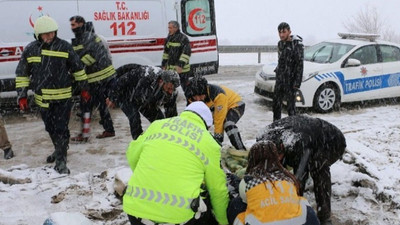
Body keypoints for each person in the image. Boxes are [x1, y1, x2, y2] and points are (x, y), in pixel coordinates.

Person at [123, 101, 229, 225]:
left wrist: (150, 175)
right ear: (207, 125)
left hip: (136, 212)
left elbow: (131, 155)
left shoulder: (157, 125)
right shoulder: (209, 142)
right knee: (207, 206)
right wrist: (223, 221)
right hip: (178, 218)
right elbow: (217, 190)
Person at [15, 16, 88, 174]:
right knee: (50, 128)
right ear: (37, 35)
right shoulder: (30, 50)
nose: (49, 37)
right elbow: (22, 74)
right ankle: (59, 149)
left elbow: (78, 68)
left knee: (61, 128)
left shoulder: (65, 47)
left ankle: (61, 161)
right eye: (45, 34)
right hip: (43, 100)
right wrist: (22, 95)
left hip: (63, 98)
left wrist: (84, 88)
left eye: (51, 33)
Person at [256, 115, 346, 225]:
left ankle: (324, 217)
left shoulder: (298, 144)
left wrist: (290, 207)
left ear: (282, 147)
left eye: (276, 156)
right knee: (286, 167)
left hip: (332, 141)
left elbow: (298, 179)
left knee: (318, 170)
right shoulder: (263, 137)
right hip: (307, 135)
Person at [227, 141, 320, 225]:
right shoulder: (288, 178)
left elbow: (246, 200)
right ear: (276, 157)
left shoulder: (248, 181)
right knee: (301, 200)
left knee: (237, 203)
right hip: (299, 222)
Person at [69, 15, 116, 142]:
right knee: (94, 105)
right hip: (96, 78)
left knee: (89, 106)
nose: (71, 28)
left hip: (98, 78)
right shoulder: (82, 38)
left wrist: (78, 66)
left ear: (81, 24)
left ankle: (88, 134)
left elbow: (94, 56)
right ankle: (103, 130)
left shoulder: (89, 38)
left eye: (73, 25)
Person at [106, 64, 180, 140]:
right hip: (126, 93)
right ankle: (138, 141)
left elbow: (172, 115)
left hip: (145, 99)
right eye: (169, 88)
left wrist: (173, 131)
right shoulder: (146, 75)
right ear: (161, 81)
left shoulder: (172, 93)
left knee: (160, 121)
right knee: (134, 117)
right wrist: (112, 97)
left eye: (173, 89)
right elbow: (121, 81)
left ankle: (163, 140)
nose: (170, 91)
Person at [186, 76, 247, 154]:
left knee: (228, 123)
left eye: (200, 95)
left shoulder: (218, 94)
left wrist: (218, 142)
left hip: (235, 105)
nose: (198, 99)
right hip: (215, 108)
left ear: (205, 91)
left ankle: (241, 150)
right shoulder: (191, 97)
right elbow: (192, 117)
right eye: (195, 96)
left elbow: (219, 120)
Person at [273, 22, 304, 121]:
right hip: (280, 79)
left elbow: (299, 64)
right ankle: (276, 125)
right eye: (280, 32)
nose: (281, 35)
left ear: (289, 32)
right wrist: (278, 72)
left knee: (291, 107)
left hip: (291, 80)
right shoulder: (280, 43)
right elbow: (281, 60)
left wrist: (296, 83)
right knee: (276, 105)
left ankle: (293, 127)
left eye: (284, 32)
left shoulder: (297, 45)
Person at [162, 20, 191, 94]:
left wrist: (180, 65)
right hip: (171, 70)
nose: (169, 30)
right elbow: (166, 53)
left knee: (185, 89)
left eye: (170, 28)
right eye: (168, 28)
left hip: (183, 71)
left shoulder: (183, 38)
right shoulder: (169, 38)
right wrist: (164, 64)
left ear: (176, 28)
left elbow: (186, 53)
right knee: (171, 88)